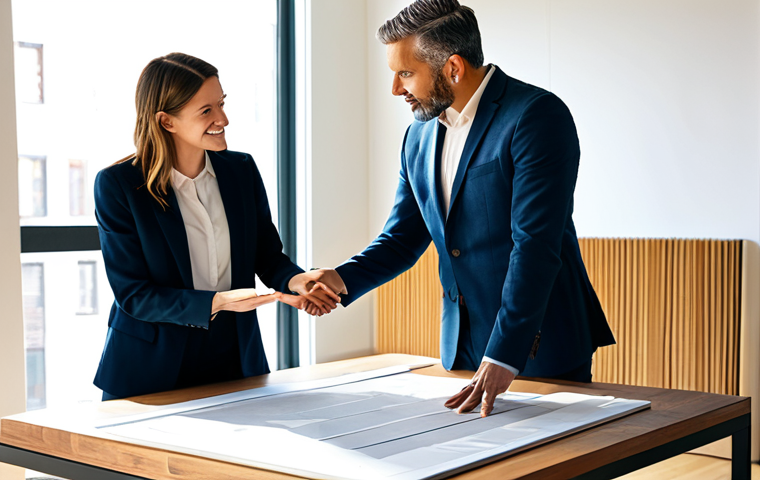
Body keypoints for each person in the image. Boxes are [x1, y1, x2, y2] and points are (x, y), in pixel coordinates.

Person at [290, 0, 615, 417]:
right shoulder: (418, 136)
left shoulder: (536, 116)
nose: (395, 88)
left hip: (537, 345)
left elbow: (534, 245)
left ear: (453, 68)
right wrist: (340, 278)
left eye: (405, 73)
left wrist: (504, 354)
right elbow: (402, 238)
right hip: (460, 348)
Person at [94, 53, 339, 400]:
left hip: (234, 358)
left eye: (221, 104)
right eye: (206, 110)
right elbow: (134, 295)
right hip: (150, 367)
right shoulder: (119, 185)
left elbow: (267, 257)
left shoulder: (240, 170)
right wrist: (220, 301)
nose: (223, 118)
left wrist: (299, 281)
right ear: (167, 121)